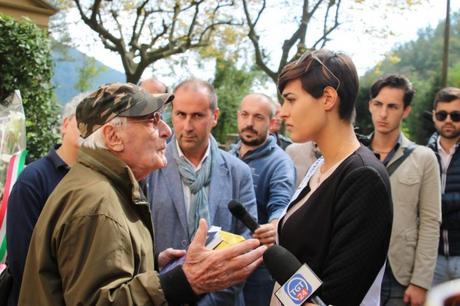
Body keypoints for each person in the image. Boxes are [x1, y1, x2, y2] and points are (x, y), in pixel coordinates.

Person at [18, 83, 266, 305]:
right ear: (113, 137)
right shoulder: (98, 204)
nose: (167, 130)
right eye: (151, 120)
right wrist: (185, 280)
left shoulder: (105, 187)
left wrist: (152, 264)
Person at [273, 49, 392, 306]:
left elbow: (335, 297)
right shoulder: (322, 165)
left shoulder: (363, 177)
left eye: (291, 100)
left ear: (327, 98)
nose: (282, 112)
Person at [146, 79, 257, 306]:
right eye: (180, 115)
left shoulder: (239, 173)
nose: (187, 126)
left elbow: (247, 245)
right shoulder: (148, 168)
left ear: (214, 116)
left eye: (197, 116)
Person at [365, 74, 441, 306]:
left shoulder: (423, 158)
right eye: (378, 104)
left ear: (405, 110)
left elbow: (430, 221)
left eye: (392, 106)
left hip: (399, 274)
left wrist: (421, 282)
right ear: (370, 105)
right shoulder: (356, 154)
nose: (383, 114)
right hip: (358, 268)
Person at [6, 92, 86, 306]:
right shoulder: (34, 179)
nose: (87, 130)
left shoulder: (96, 181)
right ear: (65, 124)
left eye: (95, 124)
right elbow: (21, 259)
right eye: (82, 120)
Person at [229, 93, 296, 306]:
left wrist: (276, 225)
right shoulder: (228, 156)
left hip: (258, 270)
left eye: (258, 117)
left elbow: (281, 205)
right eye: (245, 115)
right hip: (224, 262)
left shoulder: (280, 163)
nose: (249, 123)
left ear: (272, 122)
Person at [428, 87, 460, 286]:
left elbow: (429, 207)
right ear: (434, 116)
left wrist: (436, 204)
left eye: (456, 115)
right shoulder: (422, 154)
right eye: (442, 114)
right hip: (432, 260)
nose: (448, 120)